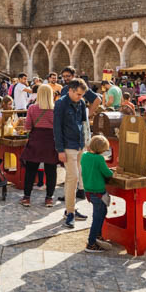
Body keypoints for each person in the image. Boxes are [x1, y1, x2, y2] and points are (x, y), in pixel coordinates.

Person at [54, 78, 90, 228]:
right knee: (72, 177)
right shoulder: (61, 104)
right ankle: (70, 212)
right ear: (71, 90)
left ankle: (71, 208)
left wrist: (86, 143)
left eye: (82, 95)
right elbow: (57, 128)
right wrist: (60, 149)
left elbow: (84, 124)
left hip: (79, 145)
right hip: (68, 145)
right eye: (78, 94)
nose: (80, 97)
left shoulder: (81, 103)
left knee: (75, 178)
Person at [19, 84, 59, 207]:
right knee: (51, 171)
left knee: (30, 170)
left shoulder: (32, 108)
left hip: (36, 140)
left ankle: (26, 198)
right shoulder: (56, 109)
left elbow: (28, 127)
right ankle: (49, 198)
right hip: (51, 141)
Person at [81, 135, 113, 252]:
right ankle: (91, 243)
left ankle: (98, 236)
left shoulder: (84, 156)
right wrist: (113, 172)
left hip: (89, 191)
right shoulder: (99, 159)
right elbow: (107, 173)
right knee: (98, 217)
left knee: (101, 213)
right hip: (98, 191)